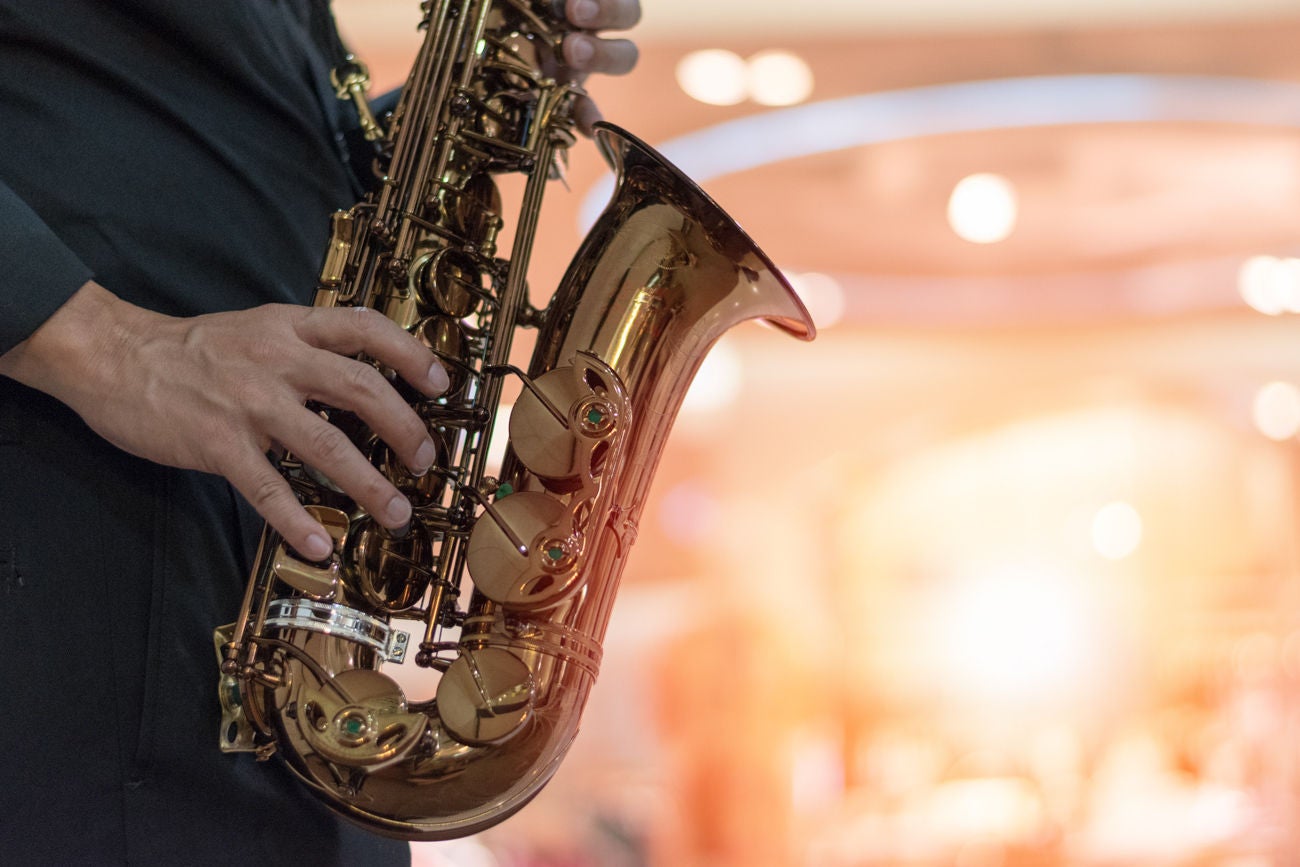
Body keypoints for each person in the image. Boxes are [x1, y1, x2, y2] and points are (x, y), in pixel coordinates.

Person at [0, 0, 640, 863]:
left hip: (280, 677)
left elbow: (190, 147)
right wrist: (105, 344)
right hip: (87, 632)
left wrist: (462, 107)